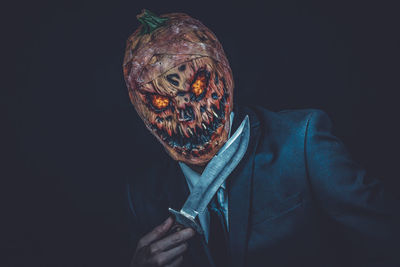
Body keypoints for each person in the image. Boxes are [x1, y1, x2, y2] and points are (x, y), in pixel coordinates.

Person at [123, 10, 400, 267]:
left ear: (225, 74)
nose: (185, 112)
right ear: (140, 110)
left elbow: (388, 241)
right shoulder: (144, 197)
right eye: (160, 102)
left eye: (197, 86)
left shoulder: (302, 142)